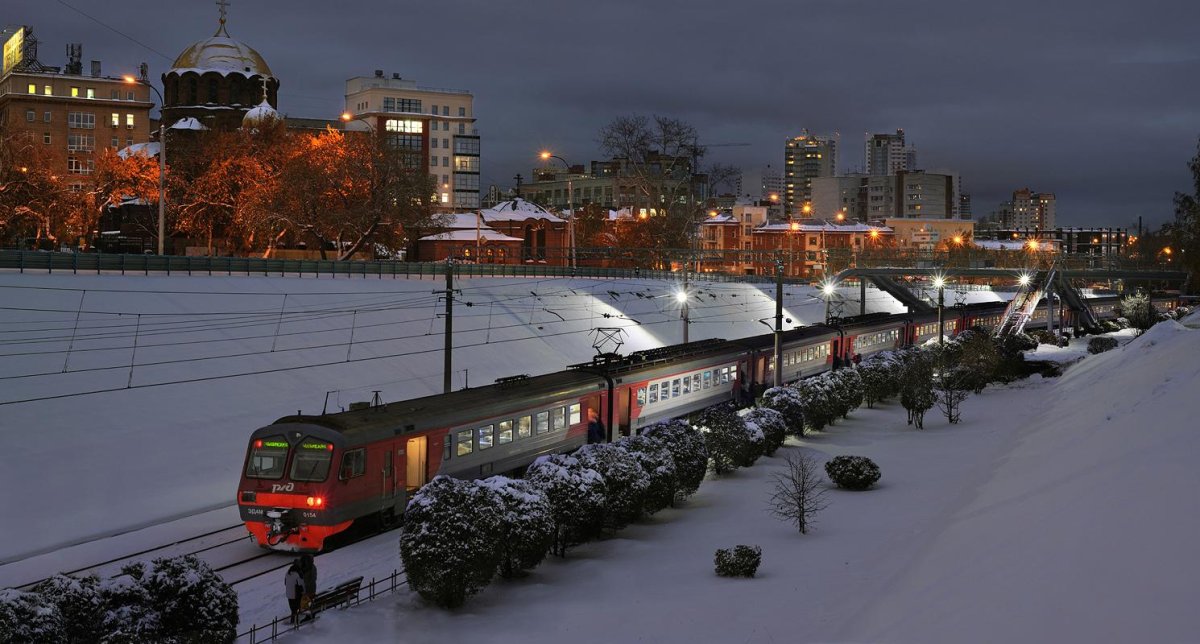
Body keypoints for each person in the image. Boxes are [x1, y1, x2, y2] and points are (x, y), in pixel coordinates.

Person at [284, 559, 303, 624]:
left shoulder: (287, 573)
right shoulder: (298, 573)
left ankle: (293, 620)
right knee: (296, 608)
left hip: (289, 594)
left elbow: (285, 583)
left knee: (293, 609)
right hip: (296, 594)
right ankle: (295, 622)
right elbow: (300, 584)